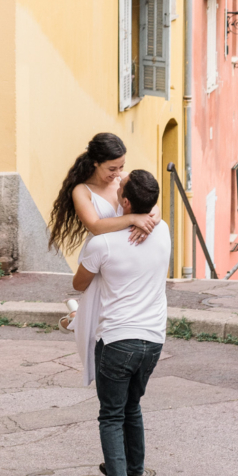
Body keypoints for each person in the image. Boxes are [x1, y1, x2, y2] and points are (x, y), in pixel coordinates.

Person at [72, 169, 171, 476]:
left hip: (117, 340)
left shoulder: (103, 243)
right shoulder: (165, 231)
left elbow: (78, 284)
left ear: (126, 202)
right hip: (153, 340)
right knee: (132, 406)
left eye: (120, 188)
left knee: (111, 415)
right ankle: (135, 473)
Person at [47, 133, 160, 385]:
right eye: (112, 168)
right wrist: (132, 219)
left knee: (112, 312)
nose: (118, 173)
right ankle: (76, 320)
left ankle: (77, 318)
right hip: (103, 254)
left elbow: (151, 202)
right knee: (98, 316)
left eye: (122, 166)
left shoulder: (122, 181)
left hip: (129, 257)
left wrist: (151, 220)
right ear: (95, 162)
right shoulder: (82, 191)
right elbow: (96, 225)